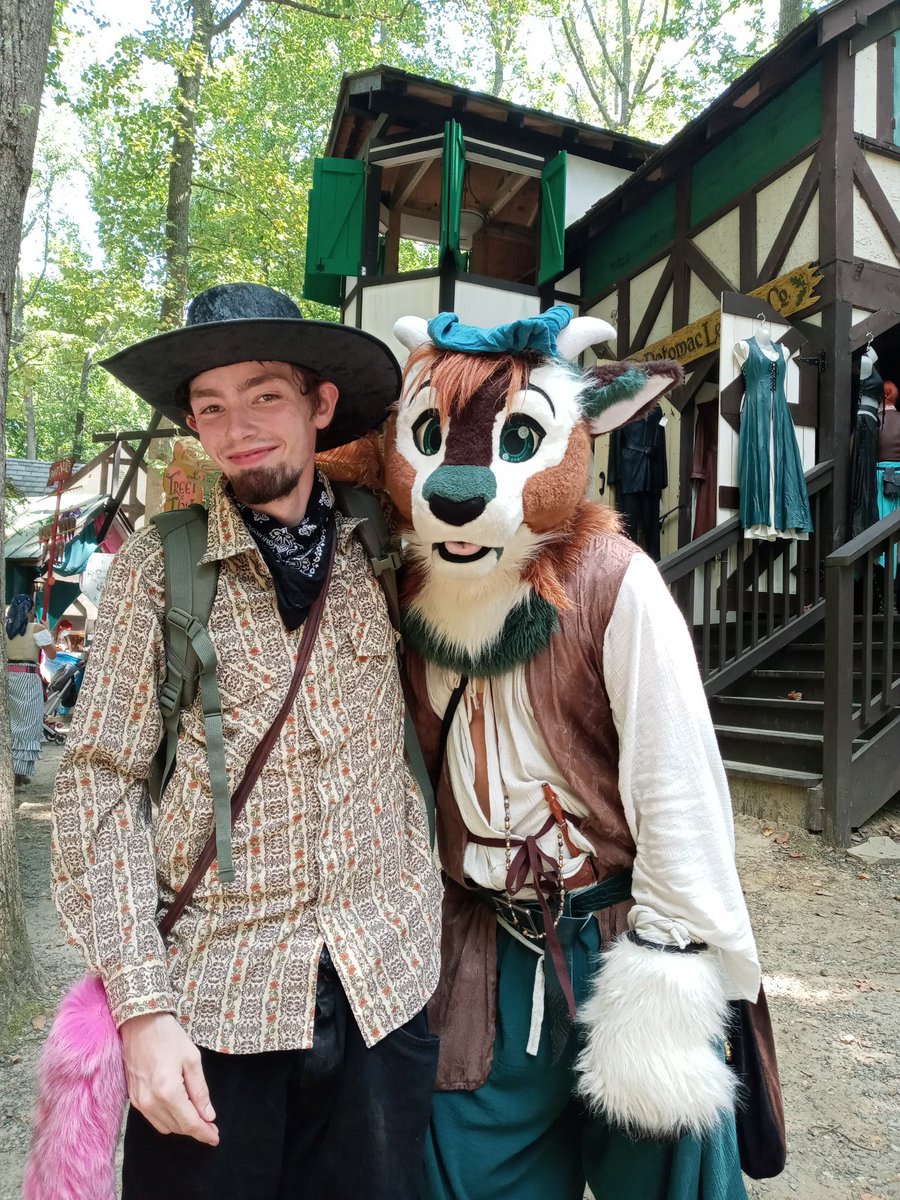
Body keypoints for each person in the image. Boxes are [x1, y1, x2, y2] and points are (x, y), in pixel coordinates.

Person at [49, 283, 442, 1200]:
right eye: (210, 407)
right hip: (218, 1001)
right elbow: (98, 785)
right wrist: (142, 1010)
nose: (239, 429)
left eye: (265, 394)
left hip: (382, 980)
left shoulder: (384, 539)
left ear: (321, 403)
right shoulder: (162, 562)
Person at [368, 307, 764, 1200]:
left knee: (657, 1176)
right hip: (481, 943)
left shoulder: (615, 579)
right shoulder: (405, 590)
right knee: (462, 1172)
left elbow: (677, 778)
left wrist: (669, 956)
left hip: (619, 937)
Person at [5, 594, 55, 785]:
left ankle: (11, 770)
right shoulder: (37, 629)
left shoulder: (4, 629)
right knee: (28, 726)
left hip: (8, 678)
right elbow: (52, 654)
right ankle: (20, 771)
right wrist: (48, 631)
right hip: (28, 678)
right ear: (31, 610)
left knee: (11, 725)